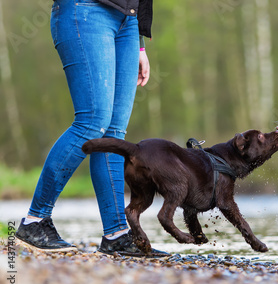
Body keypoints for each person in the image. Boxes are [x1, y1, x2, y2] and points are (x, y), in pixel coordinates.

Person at [15, 0, 167, 257]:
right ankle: (34, 221)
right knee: (91, 123)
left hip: (127, 22)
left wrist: (140, 43)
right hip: (84, 10)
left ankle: (116, 235)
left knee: (114, 136)